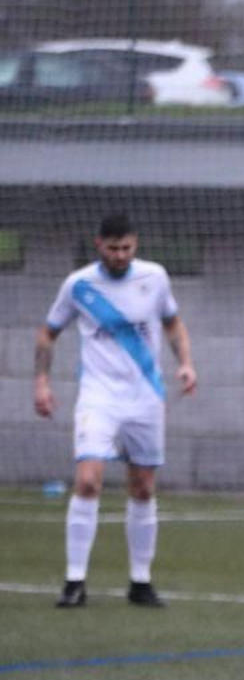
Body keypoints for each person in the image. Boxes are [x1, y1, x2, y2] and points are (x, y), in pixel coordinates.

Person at [33, 212, 198, 609]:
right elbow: (47, 332)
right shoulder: (79, 285)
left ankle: (140, 581)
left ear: (135, 244)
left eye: (127, 248)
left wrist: (186, 362)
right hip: (98, 397)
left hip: (145, 398)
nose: (120, 256)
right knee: (88, 480)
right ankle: (75, 582)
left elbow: (174, 325)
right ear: (98, 246)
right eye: (113, 248)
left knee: (142, 487)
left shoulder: (155, 278)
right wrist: (41, 382)